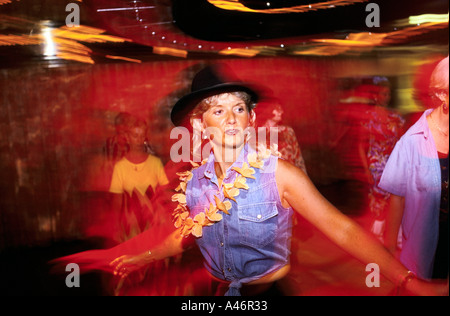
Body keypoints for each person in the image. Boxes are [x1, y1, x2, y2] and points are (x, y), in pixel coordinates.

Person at [109, 63, 447, 296]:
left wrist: (408, 282)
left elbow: (342, 229)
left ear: (251, 118)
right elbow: (183, 237)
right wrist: (143, 256)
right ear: (199, 125)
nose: (231, 118)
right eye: (218, 110)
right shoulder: (196, 181)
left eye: (239, 108)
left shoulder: (280, 174)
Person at [379, 56, 449, 280]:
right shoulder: (412, 141)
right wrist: (390, 249)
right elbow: (397, 198)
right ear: (441, 94)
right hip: (429, 245)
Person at [358, 78, 405, 242]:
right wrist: (365, 170)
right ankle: (378, 232)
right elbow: (360, 145)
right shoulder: (368, 117)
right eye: (383, 94)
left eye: (388, 94)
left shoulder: (395, 117)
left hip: (394, 162)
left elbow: (401, 142)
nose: (386, 97)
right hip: (376, 165)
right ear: (376, 96)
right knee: (381, 198)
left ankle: (393, 232)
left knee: (397, 196)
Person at [109, 115, 169, 242]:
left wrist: (167, 221)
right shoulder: (120, 167)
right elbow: (117, 203)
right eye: (135, 136)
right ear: (128, 138)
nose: (139, 140)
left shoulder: (155, 163)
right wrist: (115, 228)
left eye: (142, 136)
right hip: (131, 228)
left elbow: (165, 194)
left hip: (153, 226)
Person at [255, 97, 307, 174]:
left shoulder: (287, 131)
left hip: (291, 175)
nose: (281, 112)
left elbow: (298, 157)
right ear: (268, 110)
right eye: (277, 109)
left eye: (281, 109)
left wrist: (303, 175)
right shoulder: (257, 134)